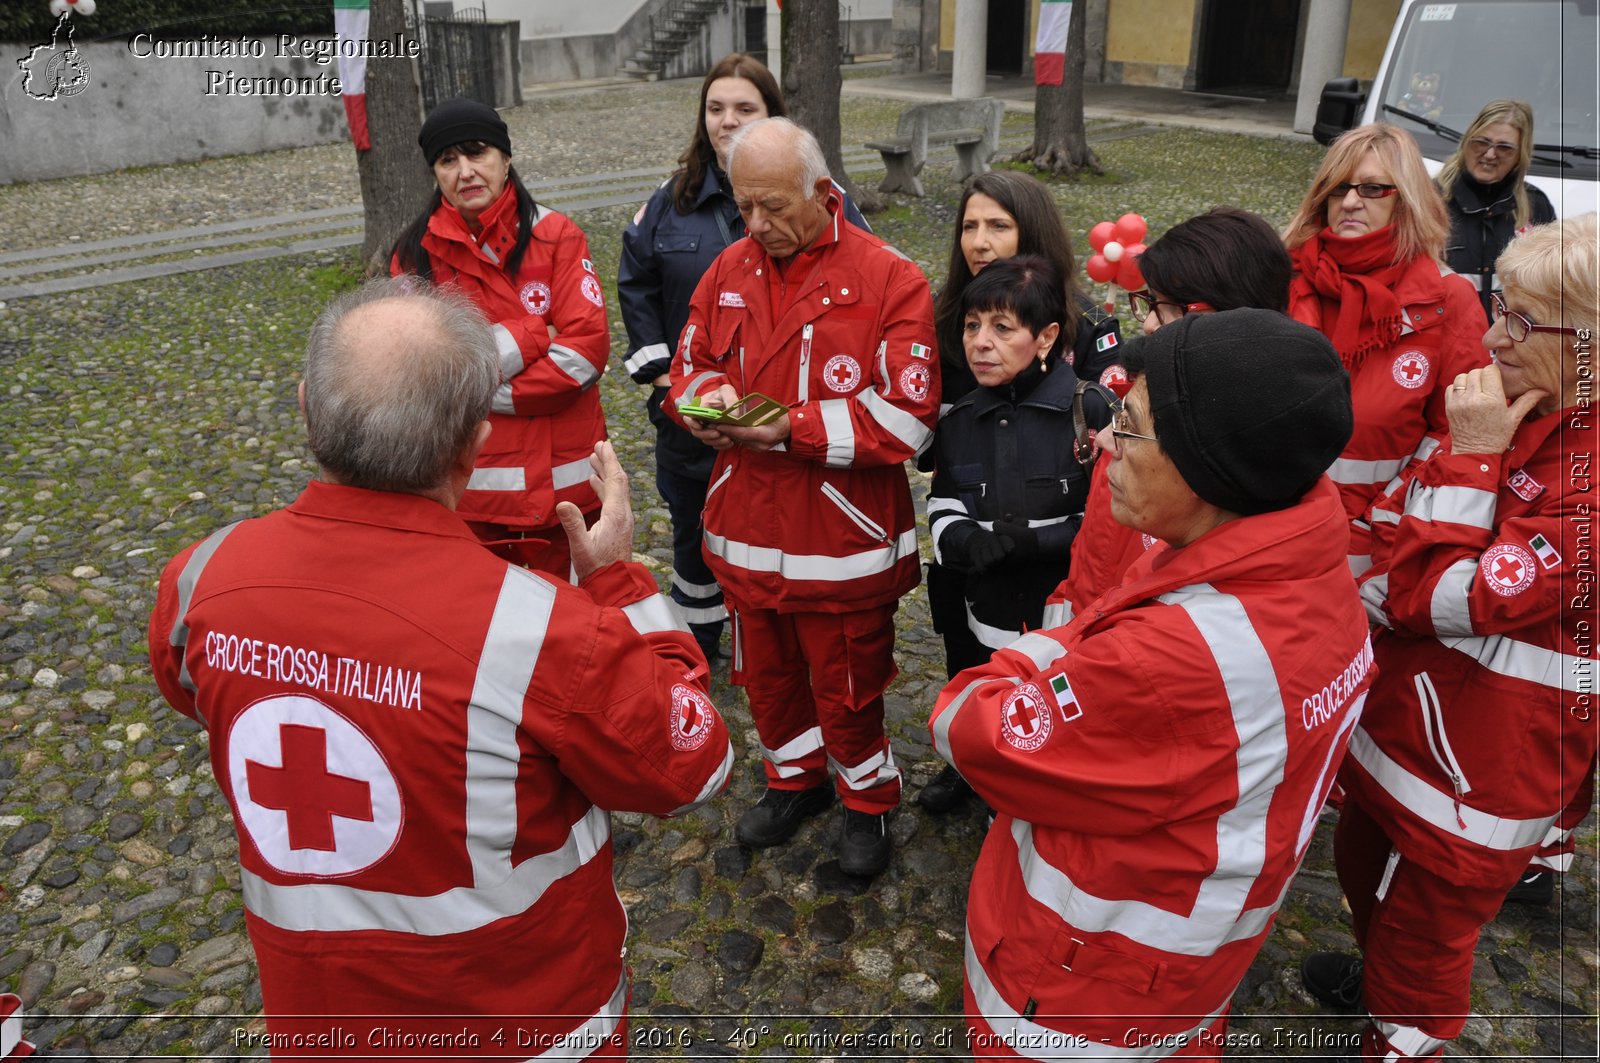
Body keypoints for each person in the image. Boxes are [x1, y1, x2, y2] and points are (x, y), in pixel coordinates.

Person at [147, 279, 733, 1058]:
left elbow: (196, 692)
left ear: (305, 409)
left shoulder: (201, 577)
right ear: (474, 441)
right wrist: (616, 581)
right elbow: (692, 761)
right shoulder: (541, 630)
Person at [931, 309, 1367, 1060]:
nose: (1105, 444)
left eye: (1128, 424)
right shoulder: (1310, 573)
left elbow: (972, 727)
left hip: (1075, 990)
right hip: (1186, 970)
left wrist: (1047, 648)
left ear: (1210, 464)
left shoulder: (1170, 656)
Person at [1301, 214, 1598, 1063]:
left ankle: (1406, 1040)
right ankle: (1380, 988)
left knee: (1425, 942)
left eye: (1520, 321)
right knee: (1365, 872)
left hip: (1482, 772)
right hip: (1409, 727)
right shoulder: (1511, 401)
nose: (1494, 337)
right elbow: (1399, 529)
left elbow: (1446, 597)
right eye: (1498, 308)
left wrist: (1469, 462)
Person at [667, 117, 938, 877]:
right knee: (770, 680)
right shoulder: (729, 269)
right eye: (743, 205)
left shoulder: (892, 279)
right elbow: (688, 368)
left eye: (773, 207)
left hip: (842, 546)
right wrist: (705, 402)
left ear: (823, 193)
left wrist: (790, 427)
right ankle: (795, 780)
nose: (757, 225)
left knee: (847, 688)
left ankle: (868, 802)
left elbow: (906, 420)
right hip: (746, 532)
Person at [617, 54, 867, 660]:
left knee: (776, 532)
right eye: (715, 108)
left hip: (783, 423)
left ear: (773, 115)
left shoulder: (820, 202)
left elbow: (862, 278)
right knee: (691, 534)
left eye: (745, 109)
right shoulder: (668, 203)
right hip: (694, 417)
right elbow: (636, 286)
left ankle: (776, 639)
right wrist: (663, 384)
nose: (727, 121)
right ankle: (700, 643)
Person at [918, 172, 1122, 812]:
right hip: (975, 514)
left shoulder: (1085, 322)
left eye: (997, 226)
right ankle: (975, 753)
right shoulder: (943, 314)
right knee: (970, 646)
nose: (979, 241)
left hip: (1056, 555)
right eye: (969, 226)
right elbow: (936, 442)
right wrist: (958, 532)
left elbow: (1102, 454)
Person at [392, 98, 609, 579]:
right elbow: (416, 369)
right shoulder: (414, 256)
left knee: (575, 628)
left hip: (567, 490)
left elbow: (585, 353)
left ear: (506, 159)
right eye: (448, 160)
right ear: (435, 173)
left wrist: (471, 383)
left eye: (478, 153)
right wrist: (536, 332)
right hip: (470, 498)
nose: (465, 171)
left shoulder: (558, 236)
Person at [1046, 206, 1294, 626]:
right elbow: (1094, 553)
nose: (1147, 326)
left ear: (1238, 317)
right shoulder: (1142, 403)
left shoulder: (1242, 452)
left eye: (1172, 306)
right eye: (1150, 302)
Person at [1285, 122, 1489, 577]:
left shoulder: (1447, 298)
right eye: (1339, 189)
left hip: (1370, 546)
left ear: (1407, 198)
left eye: (1374, 188)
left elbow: (1459, 432)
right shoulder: (1286, 280)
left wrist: (1380, 515)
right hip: (1271, 527)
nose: (1352, 201)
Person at [1436, 99, 1556, 319]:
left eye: (1504, 148)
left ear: (1521, 155)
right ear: (1466, 142)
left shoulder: (1536, 206)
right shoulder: (1430, 199)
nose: (1490, 154)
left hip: (1509, 344)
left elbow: (1550, 290)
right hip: (1446, 342)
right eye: (1481, 142)